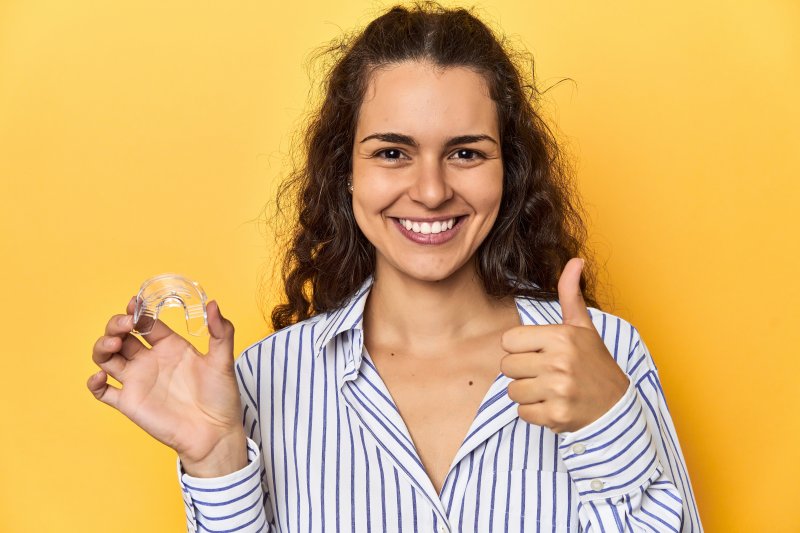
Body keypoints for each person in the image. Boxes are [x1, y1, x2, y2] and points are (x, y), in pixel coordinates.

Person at [88, 3, 702, 532]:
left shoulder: (606, 355)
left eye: (465, 152)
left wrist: (609, 426)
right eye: (392, 152)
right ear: (345, 170)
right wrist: (218, 457)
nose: (431, 191)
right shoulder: (264, 379)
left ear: (507, 171)